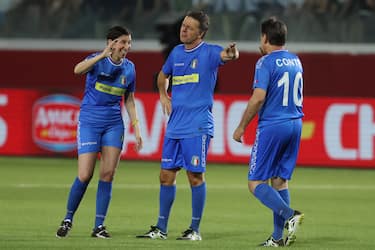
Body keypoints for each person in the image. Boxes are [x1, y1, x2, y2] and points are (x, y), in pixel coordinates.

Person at [136, 10, 239, 241]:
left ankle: (195, 230)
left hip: (198, 126)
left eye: (189, 27)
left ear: (201, 33)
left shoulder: (210, 52)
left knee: (195, 177)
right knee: (165, 176)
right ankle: (161, 229)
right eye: (183, 25)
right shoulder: (176, 53)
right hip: (175, 126)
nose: (183, 29)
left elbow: (228, 55)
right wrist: (163, 94)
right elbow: (163, 76)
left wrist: (232, 54)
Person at [56, 26, 143, 239]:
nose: (126, 47)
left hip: (114, 124)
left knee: (108, 174)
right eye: (123, 42)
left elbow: (129, 100)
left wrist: (137, 128)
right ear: (111, 42)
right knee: (85, 174)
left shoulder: (130, 68)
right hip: (89, 122)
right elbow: (77, 70)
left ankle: (99, 226)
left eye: (129, 43)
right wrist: (102, 55)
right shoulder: (96, 60)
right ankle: (68, 219)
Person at [232, 17, 304, 247]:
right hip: (295, 123)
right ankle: (277, 237)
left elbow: (258, 98)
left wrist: (241, 126)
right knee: (279, 181)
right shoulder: (296, 60)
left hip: (273, 125)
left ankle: (290, 214)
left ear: (264, 37)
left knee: (255, 183)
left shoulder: (265, 63)